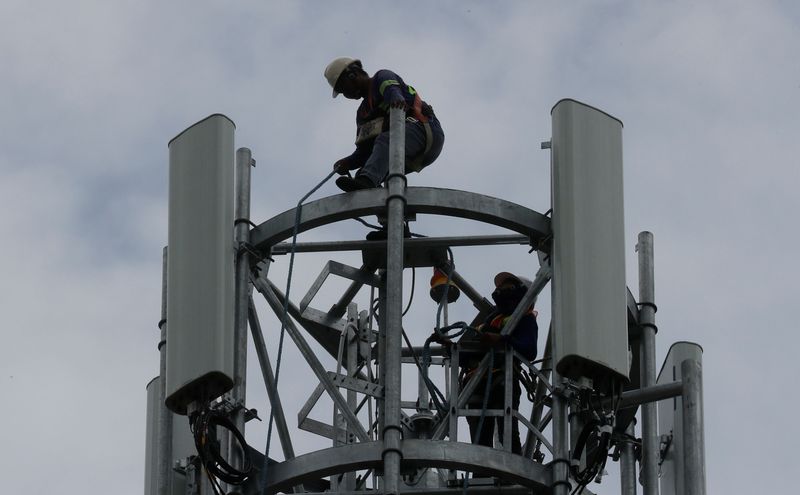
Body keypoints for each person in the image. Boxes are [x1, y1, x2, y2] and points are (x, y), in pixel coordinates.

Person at [436, 271, 538, 455]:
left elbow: (529, 349)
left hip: (501, 380)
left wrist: (501, 340)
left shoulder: (525, 319)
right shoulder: (487, 323)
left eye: (507, 287)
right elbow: (467, 356)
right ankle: (479, 474)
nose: (500, 291)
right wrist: (450, 346)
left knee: (508, 432)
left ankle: (511, 472)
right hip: (475, 384)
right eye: (500, 288)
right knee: (479, 440)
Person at [324, 57, 445, 192]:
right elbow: (364, 151)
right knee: (364, 174)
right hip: (403, 146)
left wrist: (396, 102)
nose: (346, 94)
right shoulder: (362, 114)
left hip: (425, 130)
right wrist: (349, 162)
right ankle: (388, 208)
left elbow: (393, 92)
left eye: (344, 88)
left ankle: (368, 181)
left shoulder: (381, 78)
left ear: (353, 75)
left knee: (385, 144)